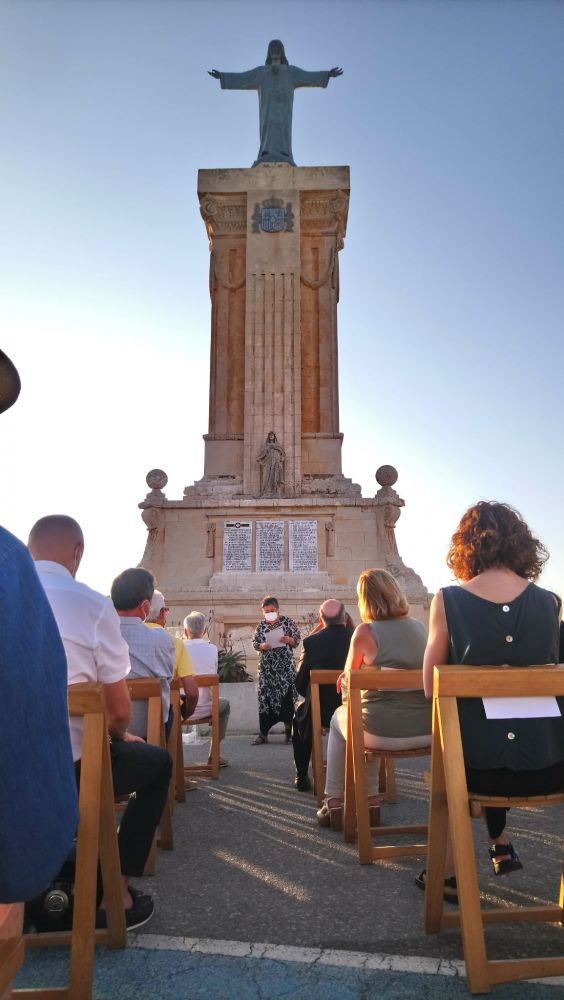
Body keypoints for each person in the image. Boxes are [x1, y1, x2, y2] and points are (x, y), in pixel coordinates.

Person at [29, 515, 172, 929]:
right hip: (72, 766)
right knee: (156, 766)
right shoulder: (92, 604)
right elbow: (119, 708)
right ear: (77, 553)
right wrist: (117, 733)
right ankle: (116, 895)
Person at [420, 501, 564, 895]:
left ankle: (448, 873)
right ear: (522, 545)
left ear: (466, 547)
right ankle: (497, 845)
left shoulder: (448, 600)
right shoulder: (550, 603)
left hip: (474, 771)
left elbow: (432, 686)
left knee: (457, 747)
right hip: (551, 766)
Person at [317, 569, 430, 831]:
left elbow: (348, 685)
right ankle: (370, 802)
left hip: (381, 733)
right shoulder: (421, 628)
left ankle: (333, 799)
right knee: (366, 715)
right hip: (427, 730)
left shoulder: (365, 633)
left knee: (343, 718)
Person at [209, 39, 342, 167]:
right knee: (268, 128)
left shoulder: (291, 72)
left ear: (282, 51)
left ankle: (285, 153)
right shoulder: (261, 72)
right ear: (269, 52)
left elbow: (308, 76)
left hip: (284, 110)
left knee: (283, 128)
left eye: (278, 48)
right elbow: (243, 78)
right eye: (272, 48)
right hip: (267, 109)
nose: (275, 50)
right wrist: (223, 77)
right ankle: (266, 152)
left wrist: (327, 75)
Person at [292, 600, 354, 792]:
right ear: (345, 617)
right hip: (355, 710)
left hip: (323, 712)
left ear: (321, 619)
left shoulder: (311, 642)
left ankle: (302, 776)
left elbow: (300, 684)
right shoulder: (358, 638)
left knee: (300, 716)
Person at [111, 568, 175, 741]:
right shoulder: (162, 639)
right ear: (146, 607)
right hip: (148, 731)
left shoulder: (97, 636)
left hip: (105, 731)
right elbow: (168, 677)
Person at [183, 611, 231, 767]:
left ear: (185, 631)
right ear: (204, 631)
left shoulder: (178, 649)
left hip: (181, 709)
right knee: (224, 705)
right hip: (206, 708)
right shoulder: (212, 649)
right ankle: (214, 754)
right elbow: (213, 674)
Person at [251, 596, 301, 745]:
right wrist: (261, 646)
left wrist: (289, 640)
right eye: (266, 611)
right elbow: (255, 643)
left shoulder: (288, 622)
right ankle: (264, 734)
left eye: (272, 610)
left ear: (277, 609)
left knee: (287, 701)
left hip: (285, 670)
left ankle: (289, 734)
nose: (269, 613)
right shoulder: (261, 626)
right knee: (265, 700)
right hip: (267, 670)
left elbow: (297, 640)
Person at [145, 589, 199, 719]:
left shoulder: (122, 640)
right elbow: (191, 693)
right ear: (163, 613)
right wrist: (186, 714)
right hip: (162, 719)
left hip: (124, 722)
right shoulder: (175, 644)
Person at [256, 431, 285, 497]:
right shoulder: (266, 446)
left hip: (276, 464)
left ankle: (277, 493)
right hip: (268, 464)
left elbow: (283, 454)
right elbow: (261, 455)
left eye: (272, 435)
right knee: (266, 477)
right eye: (270, 435)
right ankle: (266, 492)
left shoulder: (278, 446)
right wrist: (261, 460)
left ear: (274, 436)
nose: (271, 436)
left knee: (276, 477)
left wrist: (280, 459)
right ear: (268, 437)